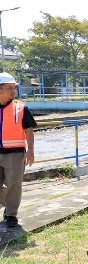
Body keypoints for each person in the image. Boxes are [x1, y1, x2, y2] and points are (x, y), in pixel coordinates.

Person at [0, 72, 36, 228]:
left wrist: (31, 151)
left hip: (15, 153)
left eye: (14, 88)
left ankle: (11, 214)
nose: (13, 91)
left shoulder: (21, 108)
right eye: (9, 88)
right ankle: (8, 204)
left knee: (14, 184)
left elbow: (29, 130)